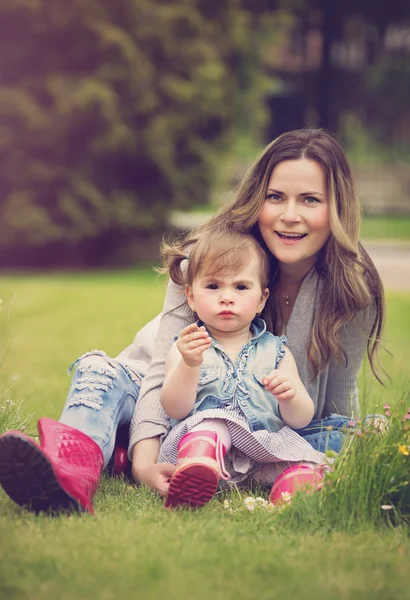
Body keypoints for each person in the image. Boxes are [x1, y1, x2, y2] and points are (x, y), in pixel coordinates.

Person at [0, 128, 384, 515]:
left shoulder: (351, 289)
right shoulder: (207, 259)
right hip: (169, 392)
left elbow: (335, 406)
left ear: (336, 207)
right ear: (257, 198)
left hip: (260, 423)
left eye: (310, 200)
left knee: (363, 432)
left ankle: (118, 450)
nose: (289, 215)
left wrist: (346, 441)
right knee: (98, 372)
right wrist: (145, 463)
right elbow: (157, 375)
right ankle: (66, 475)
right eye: (275, 196)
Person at [159, 225, 328, 508]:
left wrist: (290, 396)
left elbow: (301, 419)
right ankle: (199, 467)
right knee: (213, 423)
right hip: (201, 449)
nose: (227, 297)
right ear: (190, 296)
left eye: (240, 287)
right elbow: (174, 408)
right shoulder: (186, 346)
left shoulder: (275, 351)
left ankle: (294, 483)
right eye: (213, 286)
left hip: (261, 453)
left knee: (301, 457)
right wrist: (189, 365)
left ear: (262, 299)